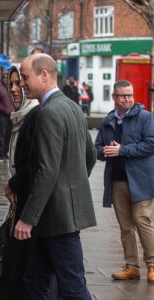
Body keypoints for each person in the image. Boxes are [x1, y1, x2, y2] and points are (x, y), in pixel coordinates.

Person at [16, 53, 97, 299]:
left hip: (56, 217)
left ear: (44, 75)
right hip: (56, 215)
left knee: (73, 287)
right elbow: (90, 156)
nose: (21, 83)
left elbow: (46, 169)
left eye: (25, 77)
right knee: (36, 280)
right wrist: (72, 187)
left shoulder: (47, 113)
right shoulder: (72, 106)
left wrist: (28, 218)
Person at [0, 66, 41, 299]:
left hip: (31, 200)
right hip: (20, 199)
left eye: (19, 83)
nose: (15, 89)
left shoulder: (35, 115)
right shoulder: (18, 116)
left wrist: (13, 184)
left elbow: (38, 162)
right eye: (12, 84)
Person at [95, 80, 154, 283]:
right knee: (125, 225)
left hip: (142, 179)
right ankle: (132, 267)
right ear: (114, 97)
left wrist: (122, 150)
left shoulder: (145, 117)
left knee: (142, 220)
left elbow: (150, 145)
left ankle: (152, 265)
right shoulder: (107, 121)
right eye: (122, 95)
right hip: (117, 180)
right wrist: (104, 151)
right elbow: (97, 148)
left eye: (130, 95)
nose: (127, 99)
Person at [0, 71, 14, 161]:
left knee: (9, 134)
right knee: (1, 135)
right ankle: (1, 153)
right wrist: (4, 109)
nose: (6, 79)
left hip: (12, 115)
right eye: (4, 78)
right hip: (2, 115)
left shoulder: (12, 87)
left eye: (7, 78)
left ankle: (6, 152)